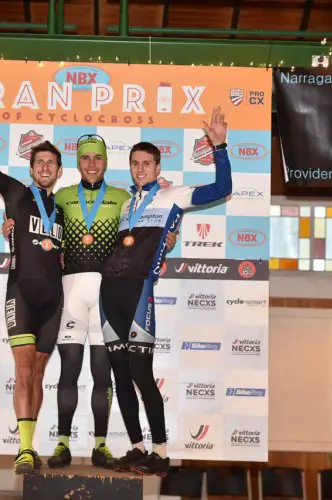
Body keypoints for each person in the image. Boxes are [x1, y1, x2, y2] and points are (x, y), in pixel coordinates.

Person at [1, 135, 178, 469]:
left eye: (98, 158)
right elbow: (34, 225)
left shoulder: (125, 198)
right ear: (78, 163)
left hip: (107, 291)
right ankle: (63, 444)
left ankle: (100, 445)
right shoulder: (63, 196)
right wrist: (9, 227)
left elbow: (149, 228)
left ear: (106, 162)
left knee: (103, 373)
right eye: (86, 159)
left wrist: (170, 236)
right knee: (68, 371)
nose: (92, 164)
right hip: (68, 291)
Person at [100, 106, 232, 476]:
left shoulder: (174, 194)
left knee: (142, 371)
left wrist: (219, 147)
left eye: (147, 163)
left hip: (140, 289)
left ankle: (160, 451)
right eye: (135, 163)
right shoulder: (126, 204)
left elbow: (223, 189)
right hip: (109, 291)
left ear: (158, 167)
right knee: (120, 374)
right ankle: (137, 448)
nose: (140, 169)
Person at [0, 80, 65, 475]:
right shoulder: (16, 192)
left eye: (51, 164)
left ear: (59, 171)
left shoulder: (66, 206)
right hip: (20, 293)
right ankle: (24, 450)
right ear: (31, 168)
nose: (44, 168)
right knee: (23, 371)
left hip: (54, 301)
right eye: (39, 162)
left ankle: (32, 443)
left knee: (38, 373)